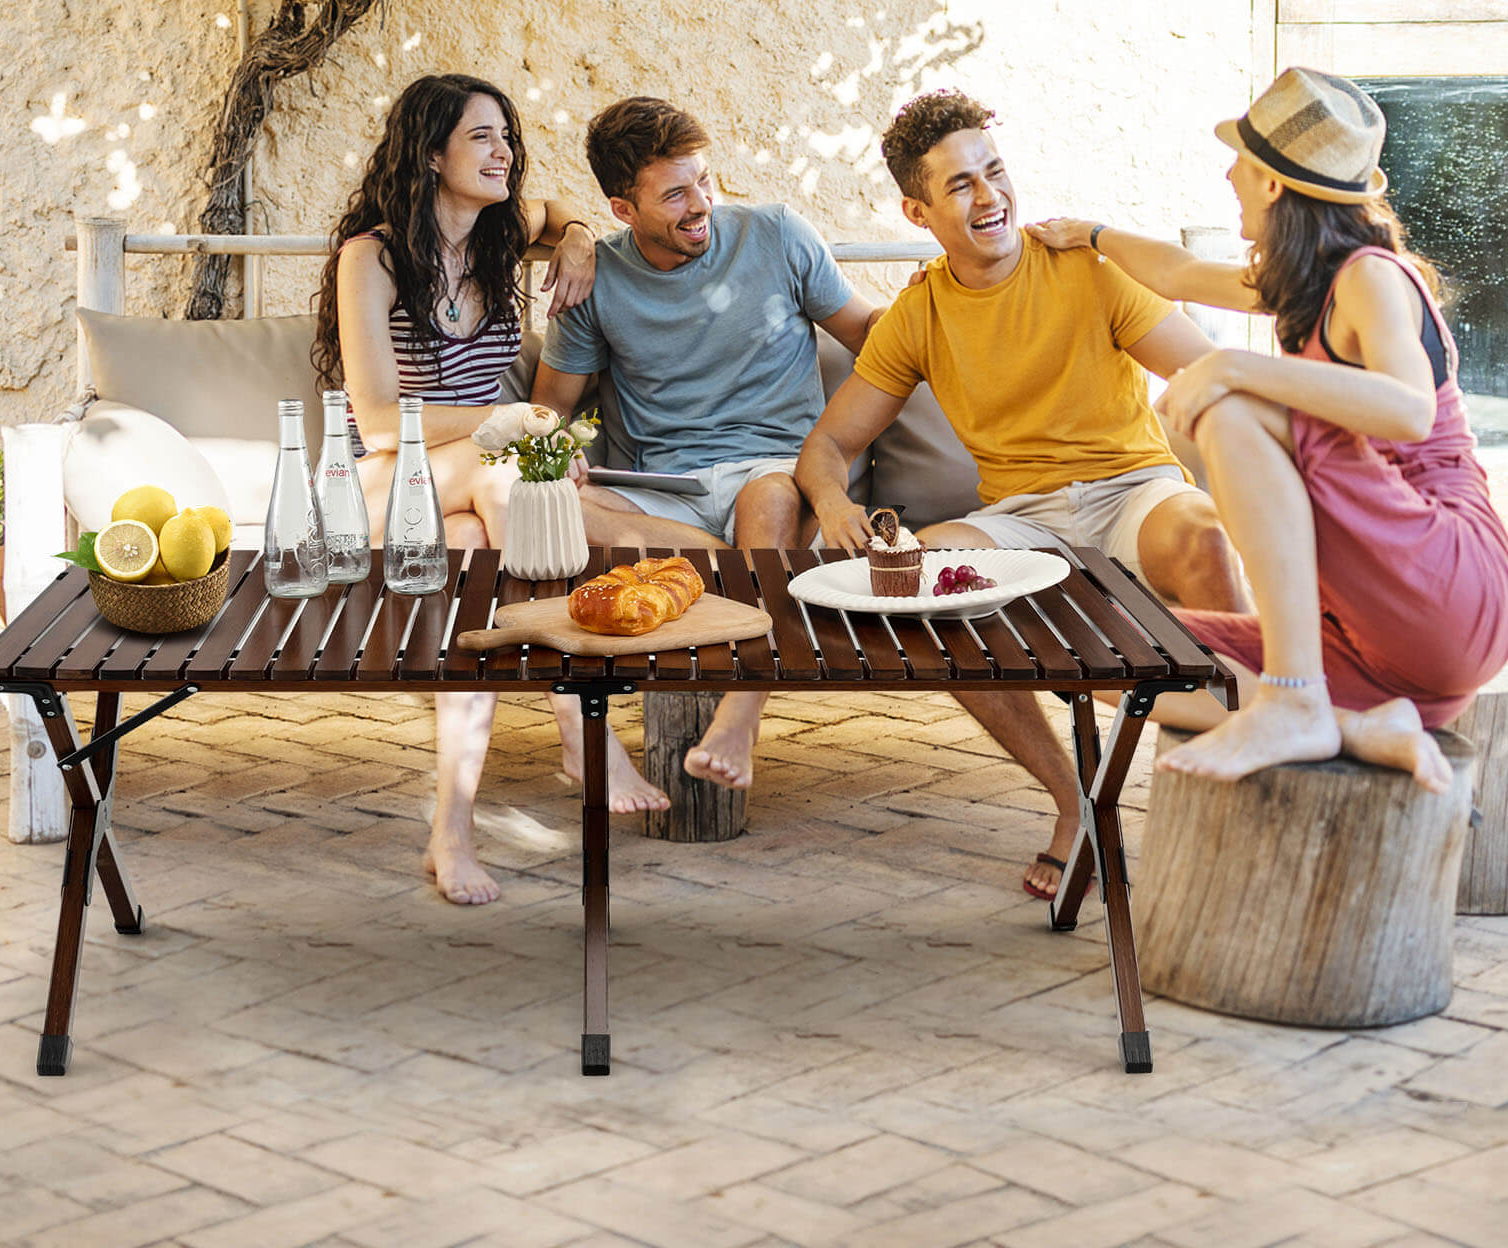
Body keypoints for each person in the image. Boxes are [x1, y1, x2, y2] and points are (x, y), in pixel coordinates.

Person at [796, 88, 1250, 899]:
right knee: (915, 591)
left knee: (1205, 536)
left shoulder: (1086, 271)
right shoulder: (919, 312)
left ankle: (1226, 806)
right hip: (1019, 518)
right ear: (917, 209)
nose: (991, 196)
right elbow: (829, 445)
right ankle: (1075, 801)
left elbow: (1205, 369)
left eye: (995, 172)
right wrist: (834, 503)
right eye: (961, 184)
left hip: (1133, 488)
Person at [1028, 66, 1508, 789]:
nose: (1229, 174)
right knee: (1092, 650)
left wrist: (1233, 370)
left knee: (1227, 406)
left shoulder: (1370, 276)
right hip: (1371, 643)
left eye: (1242, 162)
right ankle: (1347, 723)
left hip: (1445, 581)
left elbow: (1408, 409)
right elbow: (1182, 273)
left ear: (1276, 185)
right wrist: (1092, 233)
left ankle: (1290, 701)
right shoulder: (1307, 279)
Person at [312, 73, 669, 908]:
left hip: (465, 505)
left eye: (507, 134)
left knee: (476, 562)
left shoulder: (502, 235)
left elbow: (557, 219)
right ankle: (584, 726)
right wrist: (514, 422)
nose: (503, 150)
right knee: (504, 475)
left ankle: (453, 829)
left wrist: (579, 234)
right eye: (482, 137)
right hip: (375, 486)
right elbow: (376, 421)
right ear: (432, 154)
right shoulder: (371, 257)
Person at [531, 96, 884, 789]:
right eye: (675, 194)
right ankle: (768, 593)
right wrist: (561, 450)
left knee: (772, 499)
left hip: (776, 468)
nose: (701, 205)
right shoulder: (596, 275)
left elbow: (870, 337)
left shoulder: (778, 234)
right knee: (549, 506)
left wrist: (940, 307)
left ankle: (740, 714)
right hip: (663, 495)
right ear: (622, 211)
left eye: (704, 181)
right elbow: (548, 410)